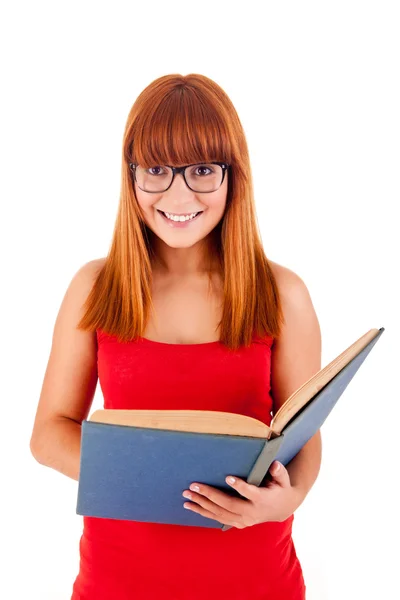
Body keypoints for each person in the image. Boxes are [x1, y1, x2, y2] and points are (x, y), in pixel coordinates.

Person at [30, 73, 322, 600]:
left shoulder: (282, 293)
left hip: (256, 581)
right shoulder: (95, 288)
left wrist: (289, 497)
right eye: (158, 171)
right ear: (131, 176)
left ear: (234, 176)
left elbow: (303, 436)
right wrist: (156, 480)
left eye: (203, 171)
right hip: (118, 584)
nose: (178, 194)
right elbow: (49, 433)